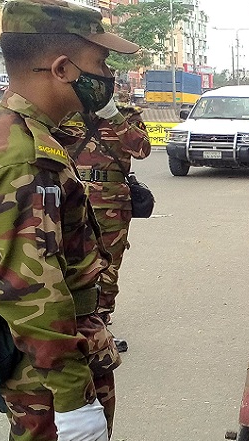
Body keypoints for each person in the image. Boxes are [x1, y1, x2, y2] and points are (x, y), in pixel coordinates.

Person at [0, 0, 139, 441]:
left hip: (22, 350)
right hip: (47, 363)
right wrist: (72, 397)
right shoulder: (26, 154)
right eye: (101, 62)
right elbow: (29, 284)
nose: (108, 75)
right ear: (64, 68)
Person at [60, 101, 151, 351]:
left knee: (108, 265)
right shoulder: (64, 110)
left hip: (112, 201)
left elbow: (142, 149)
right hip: (70, 197)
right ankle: (69, 324)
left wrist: (114, 116)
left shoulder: (126, 114)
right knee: (69, 261)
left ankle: (100, 326)